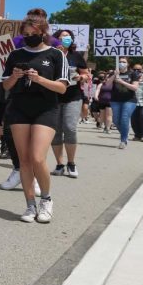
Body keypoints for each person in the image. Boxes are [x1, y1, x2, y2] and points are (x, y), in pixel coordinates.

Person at [1, 13, 68, 224]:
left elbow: (62, 88)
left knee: (38, 157)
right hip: (19, 108)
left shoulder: (56, 55)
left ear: (42, 33)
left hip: (46, 108)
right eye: (26, 34)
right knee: (25, 160)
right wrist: (15, 76)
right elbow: (5, 86)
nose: (29, 36)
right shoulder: (15, 54)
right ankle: (30, 205)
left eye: (33, 33)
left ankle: (46, 200)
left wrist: (39, 79)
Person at [50, 29, 88, 179]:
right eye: (61, 36)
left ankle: (71, 163)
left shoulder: (76, 56)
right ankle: (60, 164)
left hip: (73, 96)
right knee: (55, 131)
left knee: (70, 128)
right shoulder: (50, 55)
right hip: (54, 97)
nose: (65, 38)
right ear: (55, 40)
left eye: (68, 36)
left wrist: (81, 77)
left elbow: (86, 74)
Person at [109, 57, 140, 149]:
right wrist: (114, 75)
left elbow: (135, 88)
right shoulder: (113, 73)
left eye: (124, 62)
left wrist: (121, 81)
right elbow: (107, 84)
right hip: (115, 100)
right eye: (120, 62)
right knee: (116, 120)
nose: (121, 63)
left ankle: (123, 140)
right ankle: (124, 132)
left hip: (129, 100)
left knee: (124, 118)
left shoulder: (133, 74)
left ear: (127, 64)